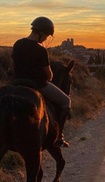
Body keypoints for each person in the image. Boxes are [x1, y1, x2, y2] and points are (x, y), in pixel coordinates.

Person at [11, 16, 70, 148]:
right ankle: (59, 137)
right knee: (66, 102)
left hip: (17, 83)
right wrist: (49, 77)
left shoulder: (18, 44)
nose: (46, 39)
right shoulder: (41, 50)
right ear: (41, 33)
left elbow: (14, 63)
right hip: (37, 84)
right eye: (47, 36)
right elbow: (48, 74)